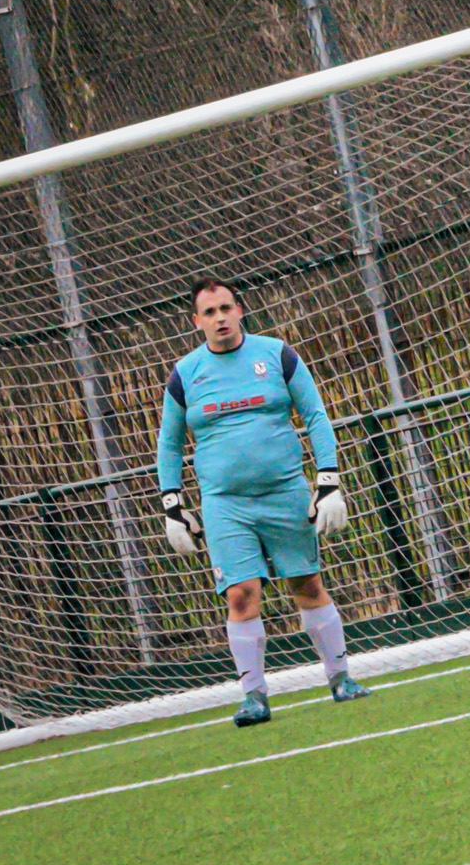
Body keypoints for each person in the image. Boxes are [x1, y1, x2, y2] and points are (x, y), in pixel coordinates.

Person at [157, 278, 370, 725]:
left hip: (285, 491)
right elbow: (170, 445)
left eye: (226, 308)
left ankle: (340, 678)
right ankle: (254, 696)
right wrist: (172, 505)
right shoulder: (185, 374)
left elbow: (315, 415)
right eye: (210, 312)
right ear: (196, 321)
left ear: (240, 311)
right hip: (224, 503)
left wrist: (328, 481)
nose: (220, 318)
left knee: (307, 585)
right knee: (240, 595)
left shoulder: (277, 354)